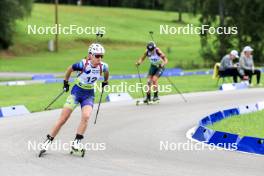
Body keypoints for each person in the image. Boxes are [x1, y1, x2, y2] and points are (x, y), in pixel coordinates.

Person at [40, 43, 109, 154]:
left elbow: (107, 73)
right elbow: (69, 69)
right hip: (77, 92)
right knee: (63, 119)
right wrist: (65, 82)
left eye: (102, 56)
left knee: (86, 116)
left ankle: (76, 142)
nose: (99, 58)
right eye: (97, 56)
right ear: (90, 55)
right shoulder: (82, 64)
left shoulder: (103, 66)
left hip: (89, 94)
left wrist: (105, 82)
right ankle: (48, 140)